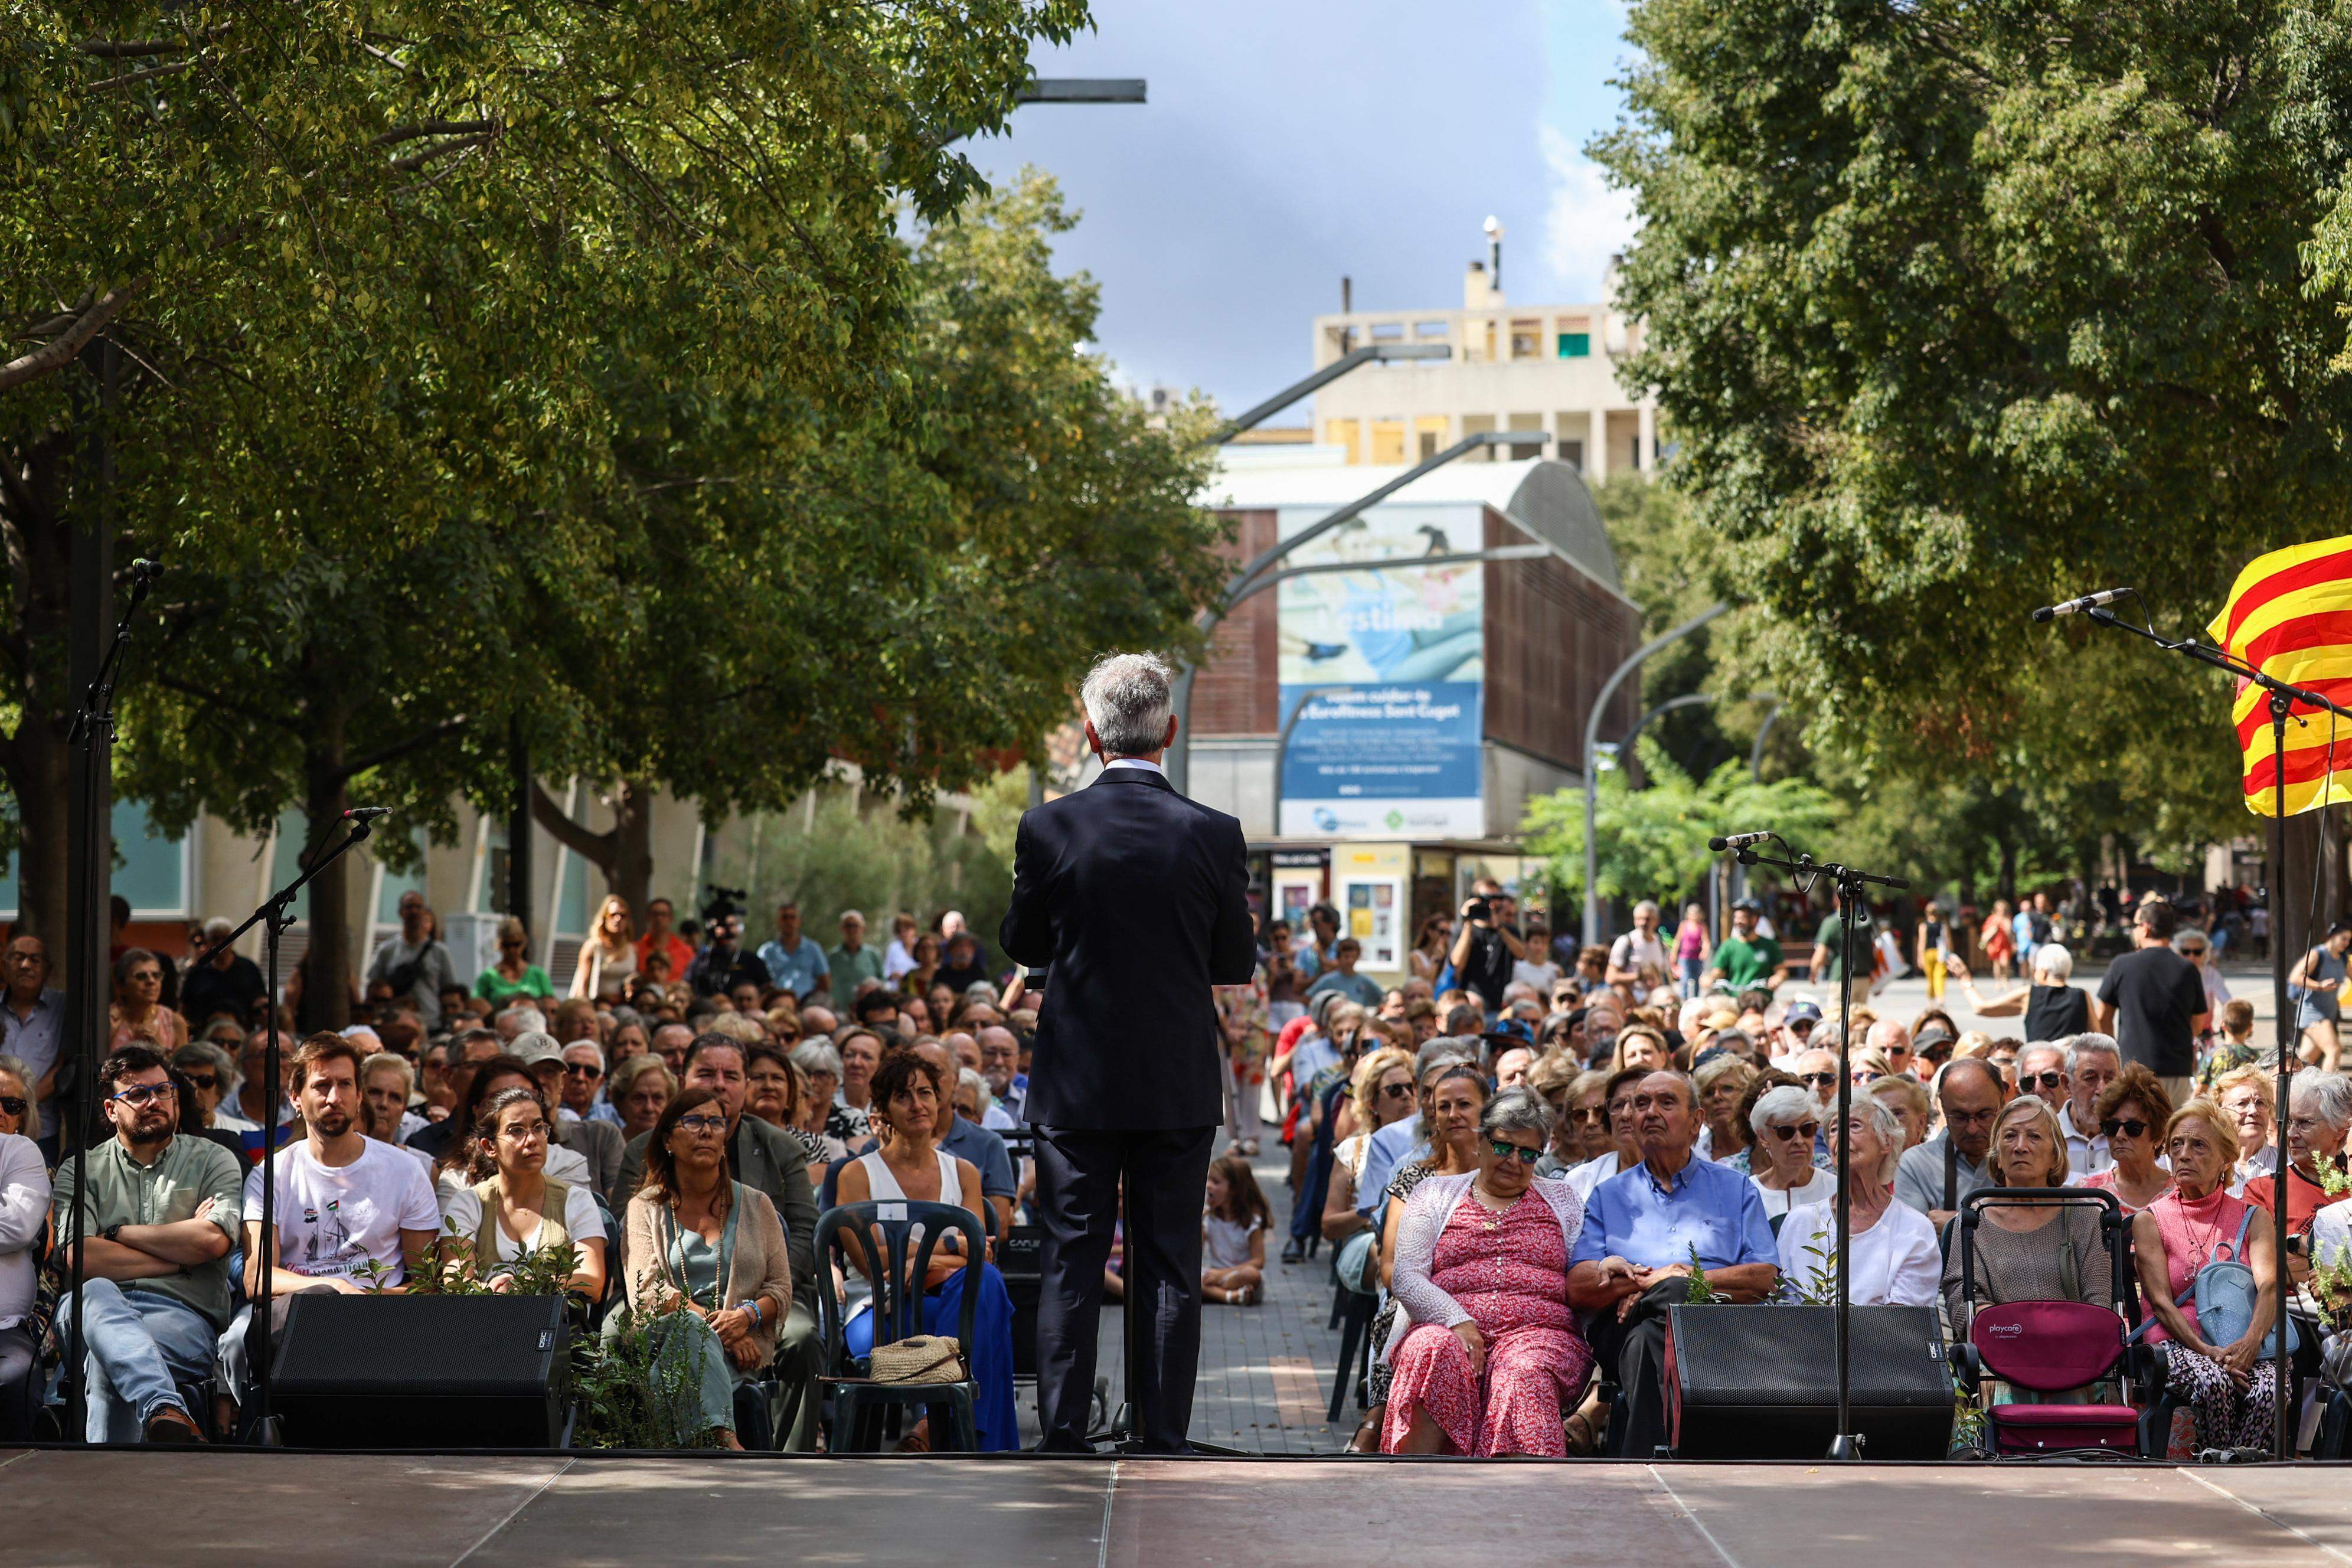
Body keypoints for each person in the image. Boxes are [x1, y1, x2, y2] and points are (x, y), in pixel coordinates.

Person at [998, 652, 1256, 1455]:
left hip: (1075, 1083)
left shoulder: (1048, 825)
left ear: (1088, 731)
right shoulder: (1214, 833)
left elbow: (1020, 941)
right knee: (1170, 1262)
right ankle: (1162, 1435)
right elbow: (1234, 962)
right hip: (1176, 1083)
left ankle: (1066, 1434)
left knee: (1072, 1259)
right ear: (1169, 731)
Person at [614, 1034, 822, 1447]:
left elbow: (803, 1234)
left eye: (732, 1076)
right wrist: (722, 1327)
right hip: (672, 1304)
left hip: (759, 1297)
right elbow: (640, 1270)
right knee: (627, 1335)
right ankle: (724, 1439)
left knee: (802, 1338)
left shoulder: (778, 1151)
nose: (721, 1085)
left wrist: (746, 1313)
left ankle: (786, 1452)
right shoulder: (643, 1164)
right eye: (708, 1075)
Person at [1567, 1070, 1776, 1456]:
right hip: (1618, 1326)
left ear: (1697, 1121)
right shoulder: (1609, 1195)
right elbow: (1579, 1287)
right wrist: (1658, 1279)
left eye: (1666, 1102)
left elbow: (1764, 1277)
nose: (1649, 1113)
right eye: (1641, 1103)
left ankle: (1644, 1458)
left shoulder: (1735, 1188)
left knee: (1653, 1333)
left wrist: (1665, 1286)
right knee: (1667, 1301)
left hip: (1717, 1327)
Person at [225, 1034, 441, 1404]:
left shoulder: (405, 1171)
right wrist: (336, 1290)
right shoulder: (271, 1174)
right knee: (236, 1338)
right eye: (321, 1086)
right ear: (295, 1098)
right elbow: (257, 1277)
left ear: (359, 1097)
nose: (334, 1098)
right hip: (291, 1314)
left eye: (345, 1085)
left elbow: (427, 1284)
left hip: (379, 1312)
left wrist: (364, 1298)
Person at [1380, 1088, 1593, 1456]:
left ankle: (1522, 1498)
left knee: (1523, 1370)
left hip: (1538, 1335)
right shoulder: (1433, 1194)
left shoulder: (1564, 1201)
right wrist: (1456, 1321)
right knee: (1433, 1350)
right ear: (1481, 1141)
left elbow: (1583, 1271)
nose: (1514, 1161)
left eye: (1528, 1154)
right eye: (1503, 1147)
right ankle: (1413, 1486)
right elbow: (1406, 1277)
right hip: (1444, 1326)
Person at [47, 1044, 240, 1443]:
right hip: (87, 1311)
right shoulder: (82, 1168)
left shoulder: (214, 1159)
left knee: (108, 1362)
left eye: (163, 1090)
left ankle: (118, 1475)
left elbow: (211, 1242)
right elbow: (80, 1257)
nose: (154, 1101)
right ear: (111, 1109)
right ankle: (163, 1410)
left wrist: (117, 1233)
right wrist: (178, 1259)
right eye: (137, 1094)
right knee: (96, 1291)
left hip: (182, 1317)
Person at [834, 1050, 1019, 1451]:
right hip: (881, 1309)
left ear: (940, 1100)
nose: (917, 1105)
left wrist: (915, 1259)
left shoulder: (963, 1172)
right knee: (988, 1308)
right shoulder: (856, 1175)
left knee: (984, 1285)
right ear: (882, 1109)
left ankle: (932, 1431)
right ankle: (966, 1437)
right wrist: (949, 1249)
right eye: (904, 1096)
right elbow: (870, 1263)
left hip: (945, 1301)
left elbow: (980, 1254)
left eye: (925, 1093)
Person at [2134, 1100, 2280, 1455]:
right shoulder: (2150, 1220)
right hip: (2176, 1345)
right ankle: (2222, 1464)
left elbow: (2270, 1288)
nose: (2184, 1155)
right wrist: (2209, 1352)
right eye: (2176, 1145)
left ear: (2225, 1160)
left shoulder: (2253, 1217)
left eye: (2198, 1146)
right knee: (2214, 1381)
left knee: (2271, 1388)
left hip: (2248, 1342)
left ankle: (2237, 1465)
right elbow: (2161, 1304)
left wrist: (2249, 1345)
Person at [1941, 1095, 2109, 1336]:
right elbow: (1965, 1304)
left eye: (2034, 1136)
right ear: (1997, 1156)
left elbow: (2099, 1305)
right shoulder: (1973, 1220)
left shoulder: (2085, 1216)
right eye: (2010, 1136)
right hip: (1999, 1356)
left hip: (2074, 1356)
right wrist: (2018, 1335)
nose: (2020, 1146)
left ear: (2055, 1156)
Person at [439, 1086, 607, 1299]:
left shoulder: (576, 1200)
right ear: (490, 1147)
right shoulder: (469, 1203)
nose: (532, 1140)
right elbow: (456, 1284)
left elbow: (593, 1282)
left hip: (557, 1330)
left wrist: (525, 1285)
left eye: (538, 1128)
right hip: (484, 1325)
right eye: (516, 1131)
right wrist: (495, 1291)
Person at [1776, 1098, 1939, 1305]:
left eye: (1854, 1126)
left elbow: (1901, 1322)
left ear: (1886, 1142)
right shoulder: (1801, 1221)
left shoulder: (1913, 1228)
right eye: (1834, 1129)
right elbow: (1784, 1310)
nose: (1841, 1136)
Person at [2094, 897, 2208, 1102]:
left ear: (2146, 928)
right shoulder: (2187, 969)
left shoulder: (2122, 965)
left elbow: (2103, 1016)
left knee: (2137, 1131)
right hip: (2177, 1070)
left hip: (2133, 1070)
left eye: (2135, 926)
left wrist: (2115, 1052)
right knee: (2173, 1132)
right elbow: (2198, 1024)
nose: (2134, 931)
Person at [2244, 1069, 2352, 1244]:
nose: (2292, 1134)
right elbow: (2259, 1254)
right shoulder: (2264, 1190)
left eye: (2304, 1123)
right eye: (2290, 1123)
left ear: (2339, 1129)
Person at [1321, 1046, 1416, 1244]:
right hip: (1366, 1241)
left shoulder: (1431, 1144)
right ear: (1372, 1103)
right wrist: (1373, 1211)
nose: (1407, 1095)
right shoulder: (1352, 1149)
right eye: (1395, 1090)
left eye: (1411, 1086)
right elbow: (1328, 1227)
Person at [1893, 1057, 2004, 1227]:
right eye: (1959, 1117)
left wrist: (1957, 1222)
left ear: (2002, 1103)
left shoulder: (2022, 1155)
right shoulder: (1917, 1164)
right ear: (1943, 1107)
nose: (1972, 1129)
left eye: (1984, 1115)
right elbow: (1914, 1239)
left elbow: (2034, 1223)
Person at [0, 1058, 41, 1439]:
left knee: (16, 1379)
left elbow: (16, 1227)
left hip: (6, 1329)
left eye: (11, 1105)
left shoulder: (20, 1151)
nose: (1, 1112)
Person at [2077, 1064, 2176, 1216]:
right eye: (2112, 1126)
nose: (2120, 1135)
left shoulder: (2182, 1193)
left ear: (2159, 1135)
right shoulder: (2087, 1195)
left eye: (2133, 1128)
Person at [364, 891, 459, 1031]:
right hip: (395, 1025)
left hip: (431, 1024)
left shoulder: (440, 952)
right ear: (401, 912)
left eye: (418, 907)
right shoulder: (387, 950)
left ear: (424, 912)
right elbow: (374, 987)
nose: (414, 911)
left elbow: (450, 990)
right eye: (409, 907)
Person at [1747, 1084, 1835, 1220]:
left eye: (1807, 1128)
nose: (1799, 1141)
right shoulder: (1749, 1194)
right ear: (1763, 1137)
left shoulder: (1835, 1189)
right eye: (1786, 1132)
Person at [1201, 1151, 1269, 1306]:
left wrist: (1222, 1275)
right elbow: (1195, 1254)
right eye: (1209, 1180)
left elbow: (1259, 1261)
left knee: (1252, 1274)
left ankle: (1215, 1293)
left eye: (1216, 1182)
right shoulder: (1208, 1219)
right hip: (1214, 1275)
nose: (1208, 1185)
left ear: (1234, 1189)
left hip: (1237, 1275)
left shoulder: (1251, 1222)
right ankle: (1230, 1296)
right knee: (1190, 1276)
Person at [178, 919, 269, 1032]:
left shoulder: (249, 968)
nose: (221, 943)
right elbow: (184, 1008)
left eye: (225, 938)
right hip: (204, 1033)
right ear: (207, 941)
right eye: (215, 939)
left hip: (243, 1032)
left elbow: (261, 1000)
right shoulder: (197, 971)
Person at [2289, 921, 2352, 1072]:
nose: (2346, 943)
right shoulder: (2318, 954)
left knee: (2304, 1062)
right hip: (2313, 1013)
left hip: (2328, 1014)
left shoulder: (2343, 959)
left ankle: (2287, 1089)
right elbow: (2295, 977)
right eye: (2343, 938)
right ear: (2333, 936)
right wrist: (2319, 986)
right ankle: (2328, 1092)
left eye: (2349, 940)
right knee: (2334, 1050)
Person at [1449, 895, 1520, 1013]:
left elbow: (1521, 954)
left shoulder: (1508, 931)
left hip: (1499, 1005)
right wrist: (1468, 921)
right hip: (1470, 1003)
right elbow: (1457, 963)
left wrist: (1498, 927)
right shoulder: (1461, 931)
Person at [2213, 1066, 2281, 1189]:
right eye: (2242, 1103)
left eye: (2260, 1103)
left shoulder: (2286, 1165)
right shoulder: (2209, 1167)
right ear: (2221, 1112)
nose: (2254, 1111)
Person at [109, 948, 184, 1053]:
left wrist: (159, 1048)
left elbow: (183, 1068)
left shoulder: (174, 1022)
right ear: (121, 986)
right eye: (141, 976)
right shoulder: (109, 1019)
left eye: (156, 975)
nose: (151, 981)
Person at [1705, 900, 1785, 993]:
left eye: (1743, 918)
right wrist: (1710, 978)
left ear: (1755, 920)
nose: (1739, 921)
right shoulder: (1728, 946)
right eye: (1736, 918)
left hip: (1759, 999)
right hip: (1732, 999)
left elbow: (1781, 970)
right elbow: (1718, 970)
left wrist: (1778, 977)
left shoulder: (1769, 945)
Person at [757, 902, 829, 1004]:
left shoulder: (813, 948)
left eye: (793, 917)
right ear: (778, 921)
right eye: (785, 918)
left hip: (806, 1005)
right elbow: (759, 983)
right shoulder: (766, 951)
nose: (789, 922)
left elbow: (825, 983)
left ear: (799, 921)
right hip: (776, 1005)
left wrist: (810, 1000)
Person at [478, 917, 556, 1007]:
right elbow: (479, 1005)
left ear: (524, 943)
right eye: (507, 945)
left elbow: (551, 1004)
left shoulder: (538, 975)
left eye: (516, 944)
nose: (512, 950)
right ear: (500, 945)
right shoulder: (489, 977)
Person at [1694, 1056, 1757, 1164]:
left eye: (1727, 1088)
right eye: (1708, 1093)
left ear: (1748, 1094)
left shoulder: (1766, 1148)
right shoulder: (1695, 1154)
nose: (1717, 1097)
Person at [825, 910, 887, 1015]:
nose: (852, 930)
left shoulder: (873, 955)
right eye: (848, 926)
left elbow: (882, 983)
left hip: (869, 1012)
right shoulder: (832, 957)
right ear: (842, 929)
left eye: (855, 926)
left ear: (863, 929)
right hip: (840, 1011)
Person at [610, 1054, 676, 1144]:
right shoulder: (607, 1149)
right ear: (621, 1104)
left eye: (657, 1098)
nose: (649, 1108)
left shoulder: (680, 1149)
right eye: (639, 1098)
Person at [1306, 937, 1384, 1009]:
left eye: (1353, 957)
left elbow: (1383, 1000)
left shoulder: (1365, 981)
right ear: (1339, 957)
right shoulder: (1328, 981)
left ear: (1358, 957)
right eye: (1346, 957)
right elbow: (1308, 998)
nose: (1350, 961)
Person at [1672, 903, 1711, 998]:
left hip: (1696, 957)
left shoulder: (1702, 926)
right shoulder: (1684, 925)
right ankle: (1684, 999)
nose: (1694, 915)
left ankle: (1695, 999)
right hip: (1685, 956)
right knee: (1685, 979)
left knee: (1696, 979)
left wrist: (1704, 952)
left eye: (1696, 913)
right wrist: (1673, 954)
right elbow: (1677, 941)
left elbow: (1706, 941)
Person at [1409, 914, 1453, 986]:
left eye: (1448, 933)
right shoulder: (1416, 955)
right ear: (1430, 932)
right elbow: (1424, 982)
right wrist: (1436, 959)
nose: (1445, 936)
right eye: (1442, 932)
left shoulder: (1449, 956)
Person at [1981, 899, 2016, 982]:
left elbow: (2012, 933)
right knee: (1996, 963)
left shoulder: (2008, 919)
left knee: (2005, 962)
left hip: (2005, 944)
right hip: (1995, 944)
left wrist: (2013, 942)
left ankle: (2005, 978)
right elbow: (1985, 930)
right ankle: (1998, 981)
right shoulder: (1992, 919)